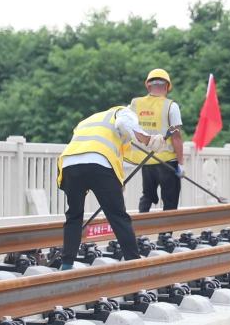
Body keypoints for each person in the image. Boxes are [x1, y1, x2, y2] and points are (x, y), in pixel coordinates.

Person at [57, 106, 166, 270]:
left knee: (73, 216)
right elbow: (125, 123)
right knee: (118, 216)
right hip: (99, 163)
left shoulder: (89, 121)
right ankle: (133, 261)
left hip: (70, 164)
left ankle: (66, 264)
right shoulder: (122, 111)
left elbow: (123, 155)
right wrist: (149, 140)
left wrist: (117, 183)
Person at [126, 68, 184, 213]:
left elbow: (127, 128)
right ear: (166, 87)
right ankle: (165, 235)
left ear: (148, 86)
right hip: (167, 162)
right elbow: (176, 137)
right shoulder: (171, 106)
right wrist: (181, 164)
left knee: (147, 196)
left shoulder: (135, 104)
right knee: (170, 201)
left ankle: (140, 231)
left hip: (145, 161)